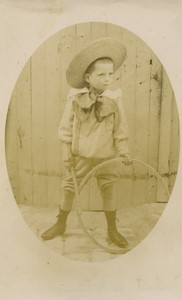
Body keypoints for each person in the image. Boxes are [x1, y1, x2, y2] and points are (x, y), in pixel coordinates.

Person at [41, 37, 132, 248]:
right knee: (69, 188)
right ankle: (60, 223)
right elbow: (65, 128)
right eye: (101, 75)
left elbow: (120, 128)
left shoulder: (114, 98)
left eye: (110, 74)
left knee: (109, 189)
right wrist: (66, 152)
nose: (107, 79)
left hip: (107, 156)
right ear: (88, 77)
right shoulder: (76, 98)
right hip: (80, 154)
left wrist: (124, 150)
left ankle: (112, 229)